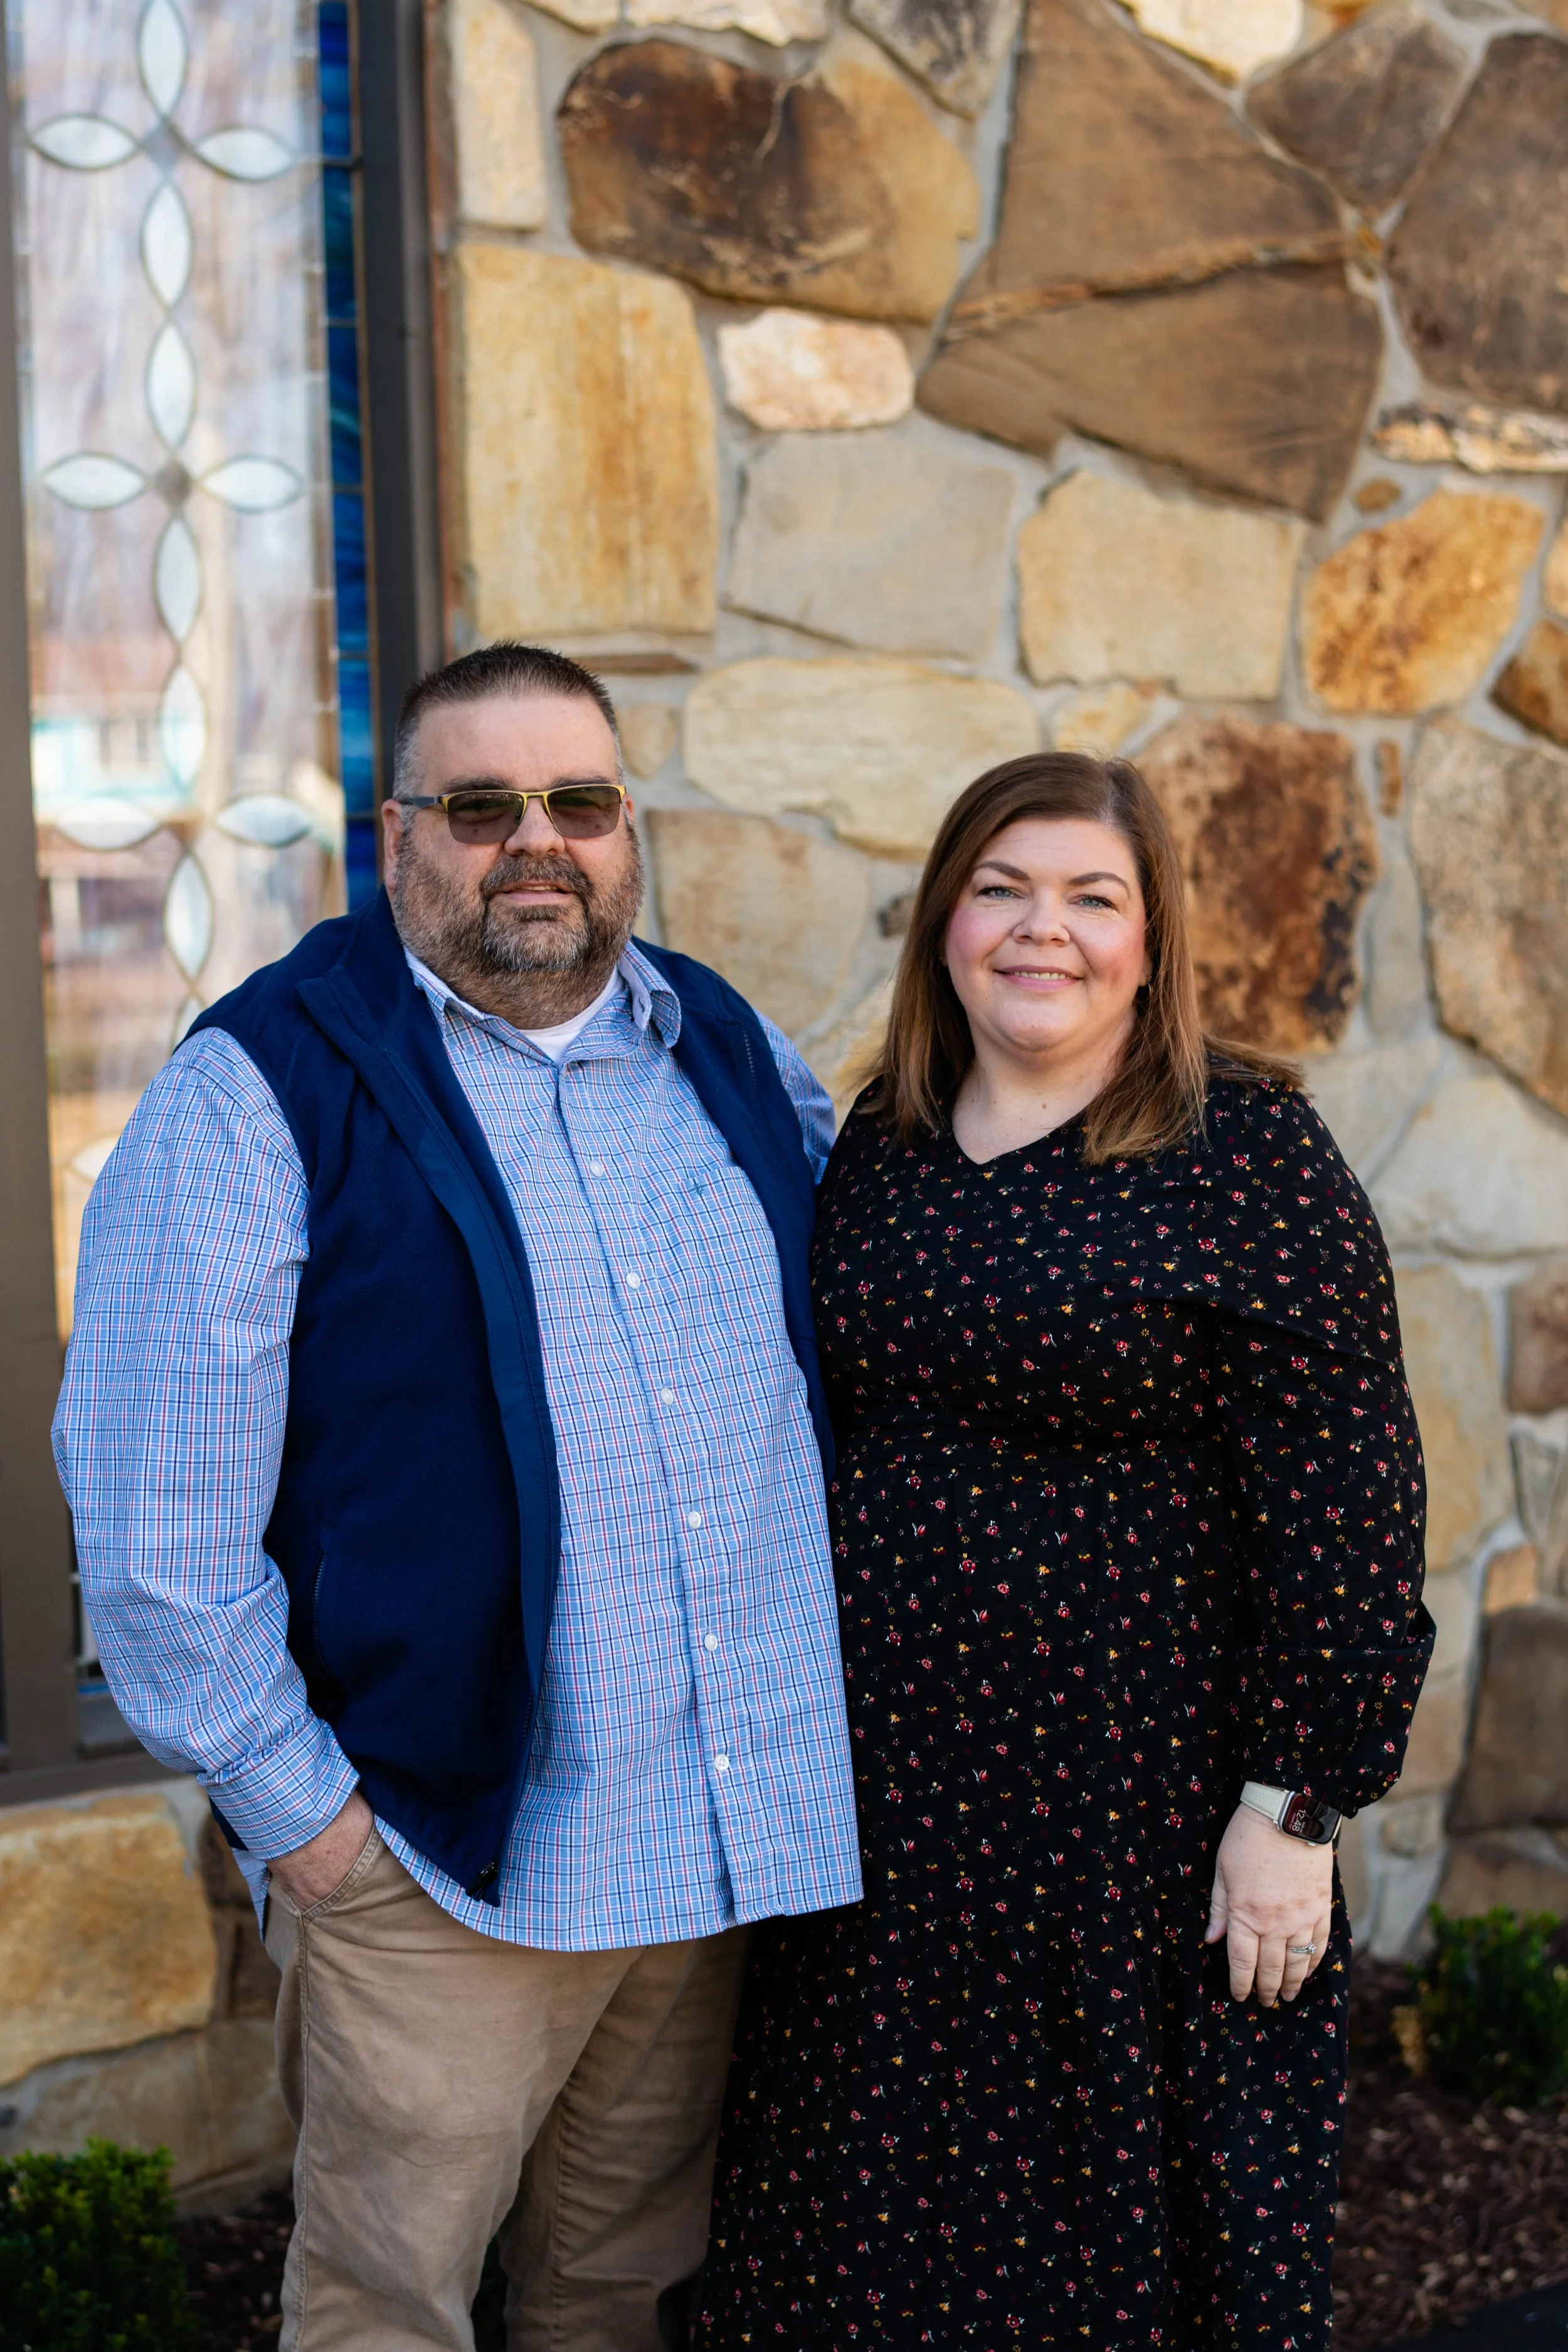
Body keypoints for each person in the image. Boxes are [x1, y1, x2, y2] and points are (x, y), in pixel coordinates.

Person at [53, 642, 862, 2352]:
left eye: (577, 799)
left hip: (706, 1863)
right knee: (386, 2312)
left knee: (619, 2288)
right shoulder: (258, 1087)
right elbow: (153, 1531)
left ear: (626, 824)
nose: (535, 841)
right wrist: (314, 1828)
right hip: (447, 1863)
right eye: (480, 804)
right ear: (396, 831)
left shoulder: (715, 1040)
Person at [699, 752, 1433, 2352]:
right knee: (872, 2248)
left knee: (1116, 2262)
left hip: (1138, 1829)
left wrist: (1291, 1806)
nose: (1045, 931)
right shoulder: (877, 1148)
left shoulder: (1248, 1160)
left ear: (1153, 942)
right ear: (943, 925)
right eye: (1002, 890)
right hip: (887, 1822)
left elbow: (1350, 1512)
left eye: (1092, 898)